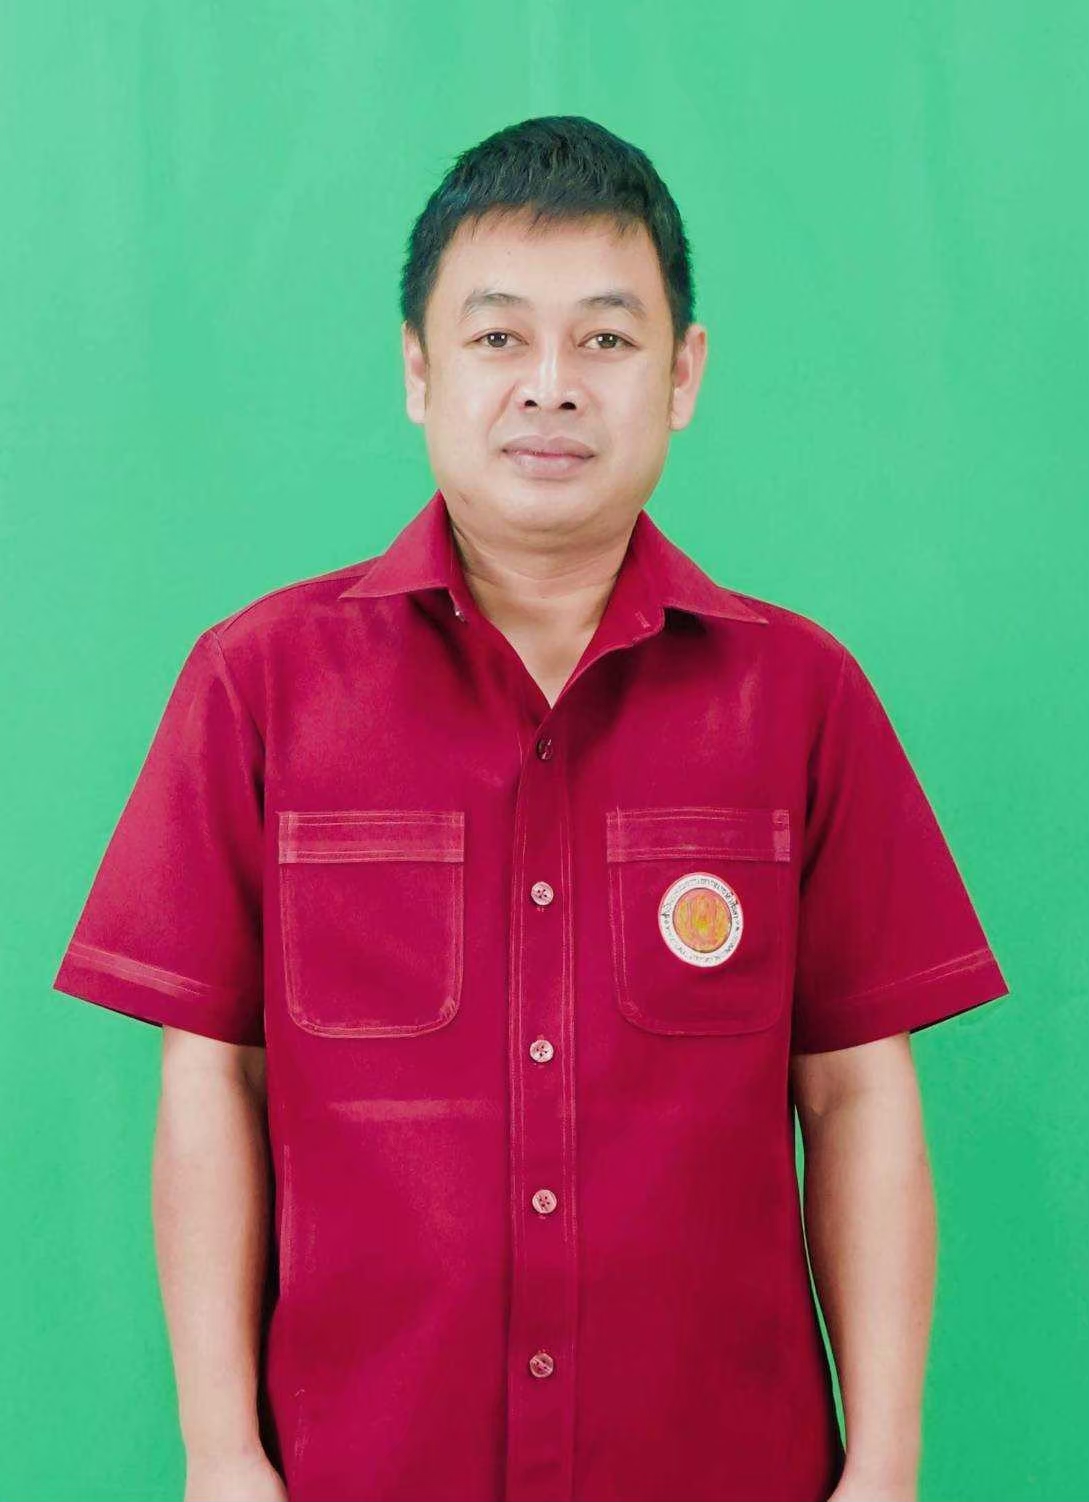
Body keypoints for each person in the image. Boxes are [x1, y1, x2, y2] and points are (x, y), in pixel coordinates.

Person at [52, 115, 1010, 1502]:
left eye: (606, 339)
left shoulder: (800, 696)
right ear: (418, 369)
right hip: (358, 1470)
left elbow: (856, 1090)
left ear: (682, 374)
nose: (550, 387)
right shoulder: (257, 685)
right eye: (499, 336)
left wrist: (888, 1461)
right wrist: (220, 1452)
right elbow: (214, 1079)